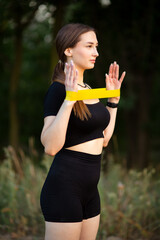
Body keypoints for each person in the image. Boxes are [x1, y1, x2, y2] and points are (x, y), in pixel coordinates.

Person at [40, 23, 126, 240]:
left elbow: (104, 139)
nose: (96, 52)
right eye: (89, 46)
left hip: (90, 191)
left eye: (96, 46)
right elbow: (50, 147)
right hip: (64, 189)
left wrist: (113, 102)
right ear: (68, 50)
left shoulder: (88, 90)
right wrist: (69, 101)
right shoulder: (58, 90)